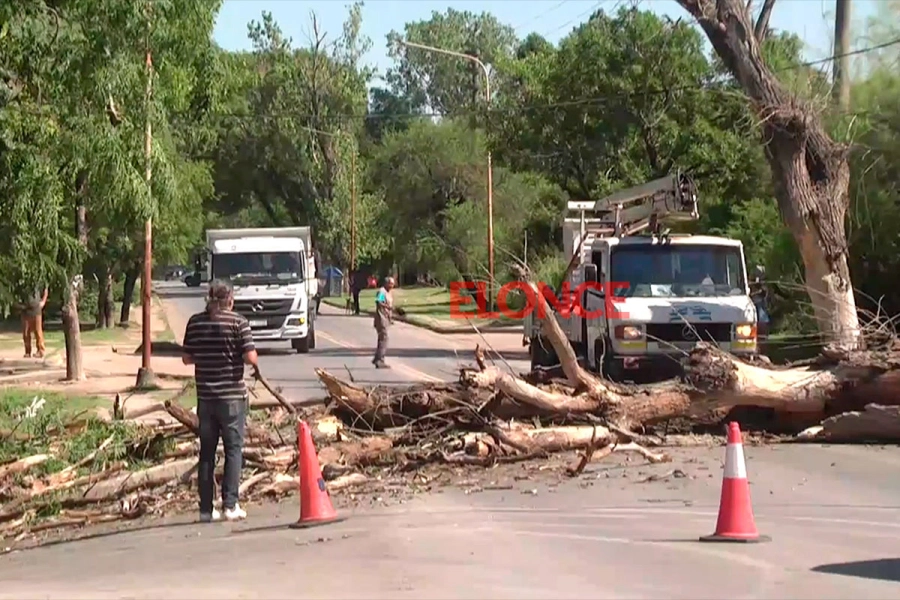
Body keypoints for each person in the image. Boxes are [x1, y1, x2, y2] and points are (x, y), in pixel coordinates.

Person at [182, 280, 259, 523]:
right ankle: (230, 504)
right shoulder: (238, 322)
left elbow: (186, 358)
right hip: (232, 396)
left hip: (206, 396)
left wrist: (206, 354)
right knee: (233, 450)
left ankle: (206, 509)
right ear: (230, 300)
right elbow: (250, 357)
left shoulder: (195, 322)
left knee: (207, 451)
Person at [372, 276, 396, 369]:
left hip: (386, 318)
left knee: (382, 339)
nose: (392, 286)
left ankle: (377, 358)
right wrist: (388, 307)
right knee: (384, 339)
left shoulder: (388, 292)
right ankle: (380, 360)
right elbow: (378, 302)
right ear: (386, 283)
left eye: (393, 284)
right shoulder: (382, 291)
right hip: (381, 318)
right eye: (391, 284)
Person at [21, 285, 48, 358]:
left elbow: (45, 289)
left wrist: (43, 301)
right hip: (25, 310)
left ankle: (40, 350)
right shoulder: (22, 282)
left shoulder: (38, 281)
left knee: (38, 331)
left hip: (36, 310)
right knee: (26, 332)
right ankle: (27, 351)